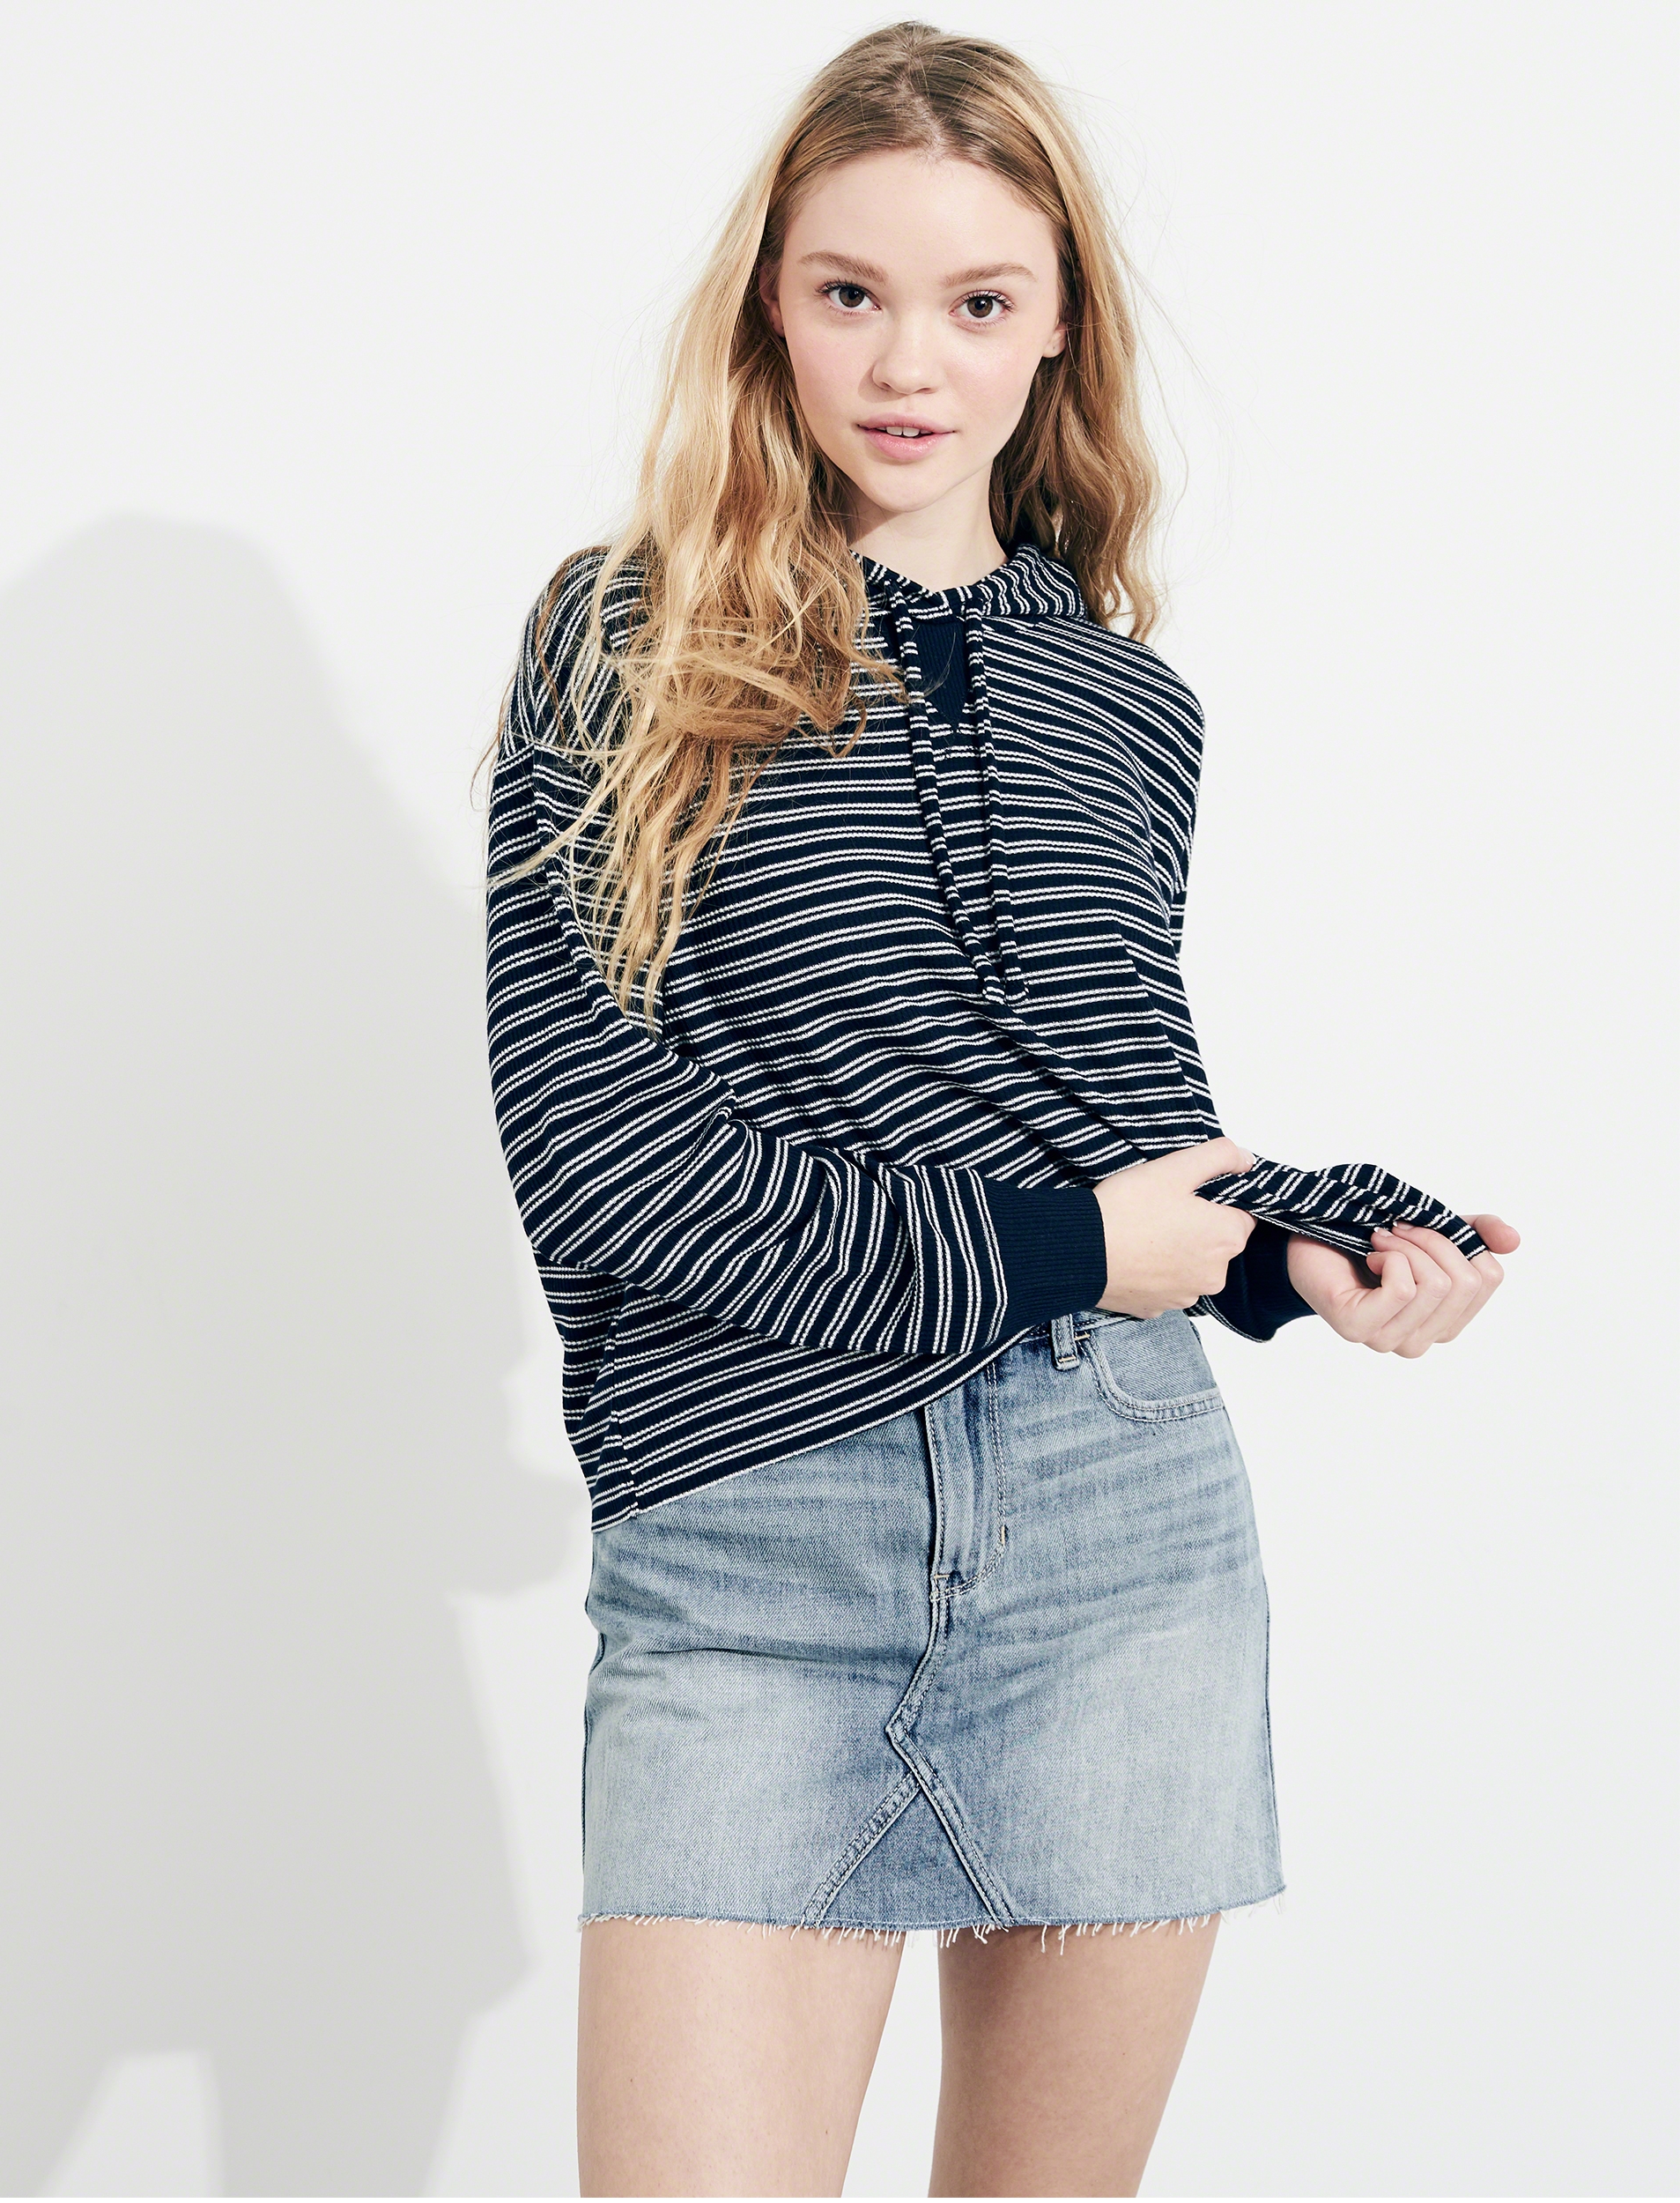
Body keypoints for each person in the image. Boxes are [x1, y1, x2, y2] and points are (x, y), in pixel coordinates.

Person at [482, 21, 1518, 2195]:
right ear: (769, 304)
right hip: (750, 1524)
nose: (905, 363)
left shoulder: (1128, 700)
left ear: (1057, 331)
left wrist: (1310, 1238)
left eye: (975, 301)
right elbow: (599, 1155)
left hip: (1115, 1527)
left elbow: (1100, 1114)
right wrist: (1069, 1243)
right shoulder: (625, 636)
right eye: (848, 291)